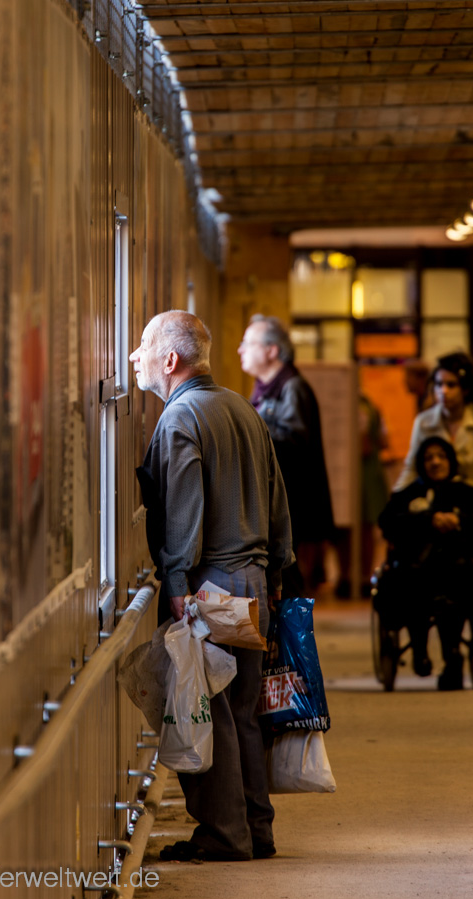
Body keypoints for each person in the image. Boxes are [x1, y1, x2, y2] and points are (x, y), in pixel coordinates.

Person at [130, 310, 294, 862]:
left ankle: (224, 836)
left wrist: (177, 581)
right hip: (253, 582)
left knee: (209, 711)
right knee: (243, 713)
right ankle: (255, 828)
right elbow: (277, 498)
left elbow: (183, 509)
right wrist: (275, 572)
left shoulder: (180, 418)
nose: (134, 356)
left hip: (208, 588)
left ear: (170, 360)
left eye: (144, 345)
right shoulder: (242, 409)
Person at [378, 436, 473, 690]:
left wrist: (459, 520)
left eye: (441, 456)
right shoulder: (407, 495)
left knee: (459, 589)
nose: (435, 462)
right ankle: (420, 652)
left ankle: (453, 657)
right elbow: (387, 522)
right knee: (412, 586)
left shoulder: (467, 493)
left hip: (460, 573)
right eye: (429, 457)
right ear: (420, 463)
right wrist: (428, 520)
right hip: (415, 575)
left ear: (451, 461)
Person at [238, 315, 334, 595]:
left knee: (288, 585)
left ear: (272, 351)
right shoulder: (268, 387)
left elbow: (293, 444)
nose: (240, 349)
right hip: (279, 503)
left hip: (292, 505)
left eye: (248, 343)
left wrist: (248, 433)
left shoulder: (292, 387)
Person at [394, 351, 473, 493]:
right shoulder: (424, 422)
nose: (443, 391)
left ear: (466, 389)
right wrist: (397, 496)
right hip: (436, 501)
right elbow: (412, 469)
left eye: (451, 385)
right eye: (439, 384)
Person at [337, 393, 389, 598]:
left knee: (353, 527)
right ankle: (362, 576)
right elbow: (382, 441)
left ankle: (348, 576)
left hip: (358, 473)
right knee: (361, 528)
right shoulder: (369, 405)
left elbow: (364, 445)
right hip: (366, 473)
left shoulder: (359, 406)